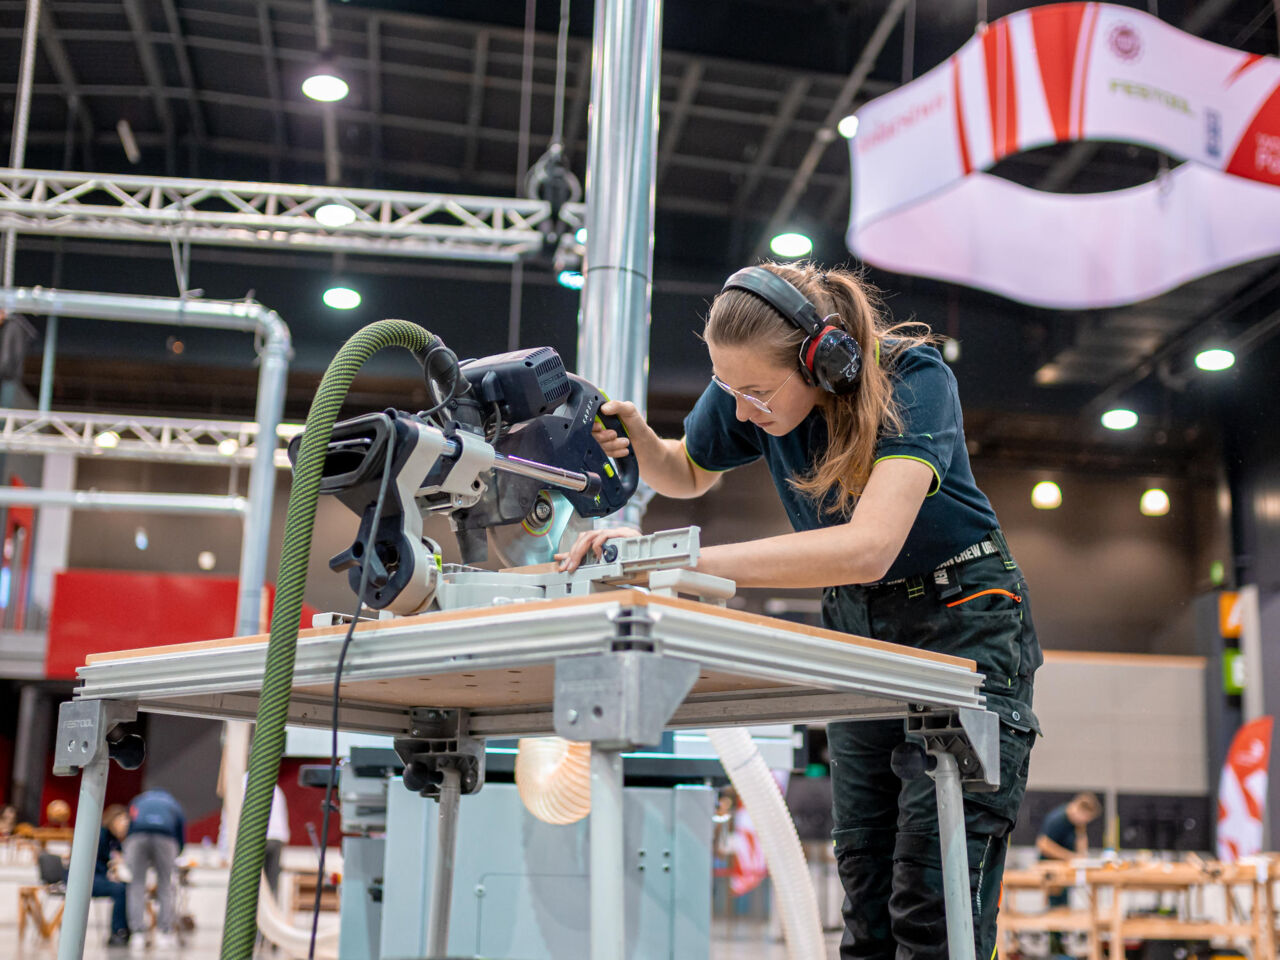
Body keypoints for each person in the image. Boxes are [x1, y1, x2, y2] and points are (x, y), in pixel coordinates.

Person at [558, 261, 1042, 960]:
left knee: (933, 900)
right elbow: (688, 471)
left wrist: (671, 559)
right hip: (859, 626)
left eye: (756, 392)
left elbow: (868, 548)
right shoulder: (747, 391)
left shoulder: (915, 380)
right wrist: (639, 437)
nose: (742, 410)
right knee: (867, 890)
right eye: (729, 390)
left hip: (963, 616)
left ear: (826, 362)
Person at [125, 788, 185, 951]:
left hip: (138, 837)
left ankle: (137, 933)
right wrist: (178, 850)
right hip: (166, 839)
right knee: (165, 885)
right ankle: (164, 932)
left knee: (136, 885)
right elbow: (180, 829)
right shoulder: (172, 803)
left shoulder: (139, 800)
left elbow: (130, 826)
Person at [97, 805, 132, 947]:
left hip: (104, 877)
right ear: (113, 821)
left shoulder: (116, 840)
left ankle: (126, 929)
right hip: (93, 878)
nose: (125, 826)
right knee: (120, 889)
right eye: (122, 822)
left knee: (127, 887)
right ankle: (117, 931)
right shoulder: (100, 835)